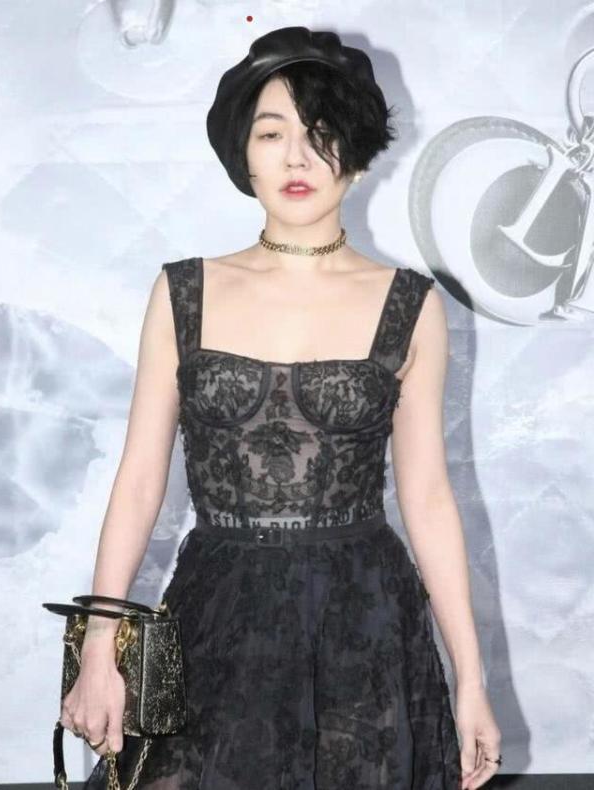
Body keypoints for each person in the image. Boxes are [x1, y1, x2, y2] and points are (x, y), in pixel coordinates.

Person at [61, 26, 501, 790]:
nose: (296, 158)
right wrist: (100, 645)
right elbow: (138, 481)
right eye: (272, 134)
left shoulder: (410, 305)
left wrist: (471, 680)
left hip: (364, 626)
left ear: (356, 156)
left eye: (321, 133)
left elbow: (429, 497)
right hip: (214, 614)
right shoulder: (183, 292)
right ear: (244, 154)